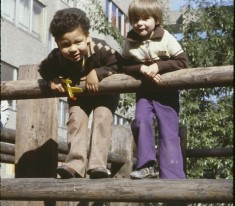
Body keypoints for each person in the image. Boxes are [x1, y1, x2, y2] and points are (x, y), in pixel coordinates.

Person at [38, 8, 120, 179]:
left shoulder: (101, 48)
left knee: (102, 118)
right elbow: (43, 69)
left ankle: (98, 165)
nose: (73, 49)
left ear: (87, 37)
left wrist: (97, 73)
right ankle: (75, 164)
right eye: (65, 45)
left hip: (104, 95)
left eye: (78, 42)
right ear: (57, 44)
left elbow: (119, 65)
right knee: (75, 119)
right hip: (79, 96)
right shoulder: (56, 57)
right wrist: (52, 79)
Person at [121, 0, 188, 179]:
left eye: (145, 18)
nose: (140, 23)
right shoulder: (130, 41)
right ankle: (146, 165)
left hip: (166, 93)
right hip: (145, 92)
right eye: (135, 19)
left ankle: (172, 174)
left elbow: (183, 61)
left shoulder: (165, 37)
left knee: (168, 130)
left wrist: (159, 66)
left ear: (156, 19)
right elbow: (123, 65)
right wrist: (140, 68)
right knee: (141, 122)